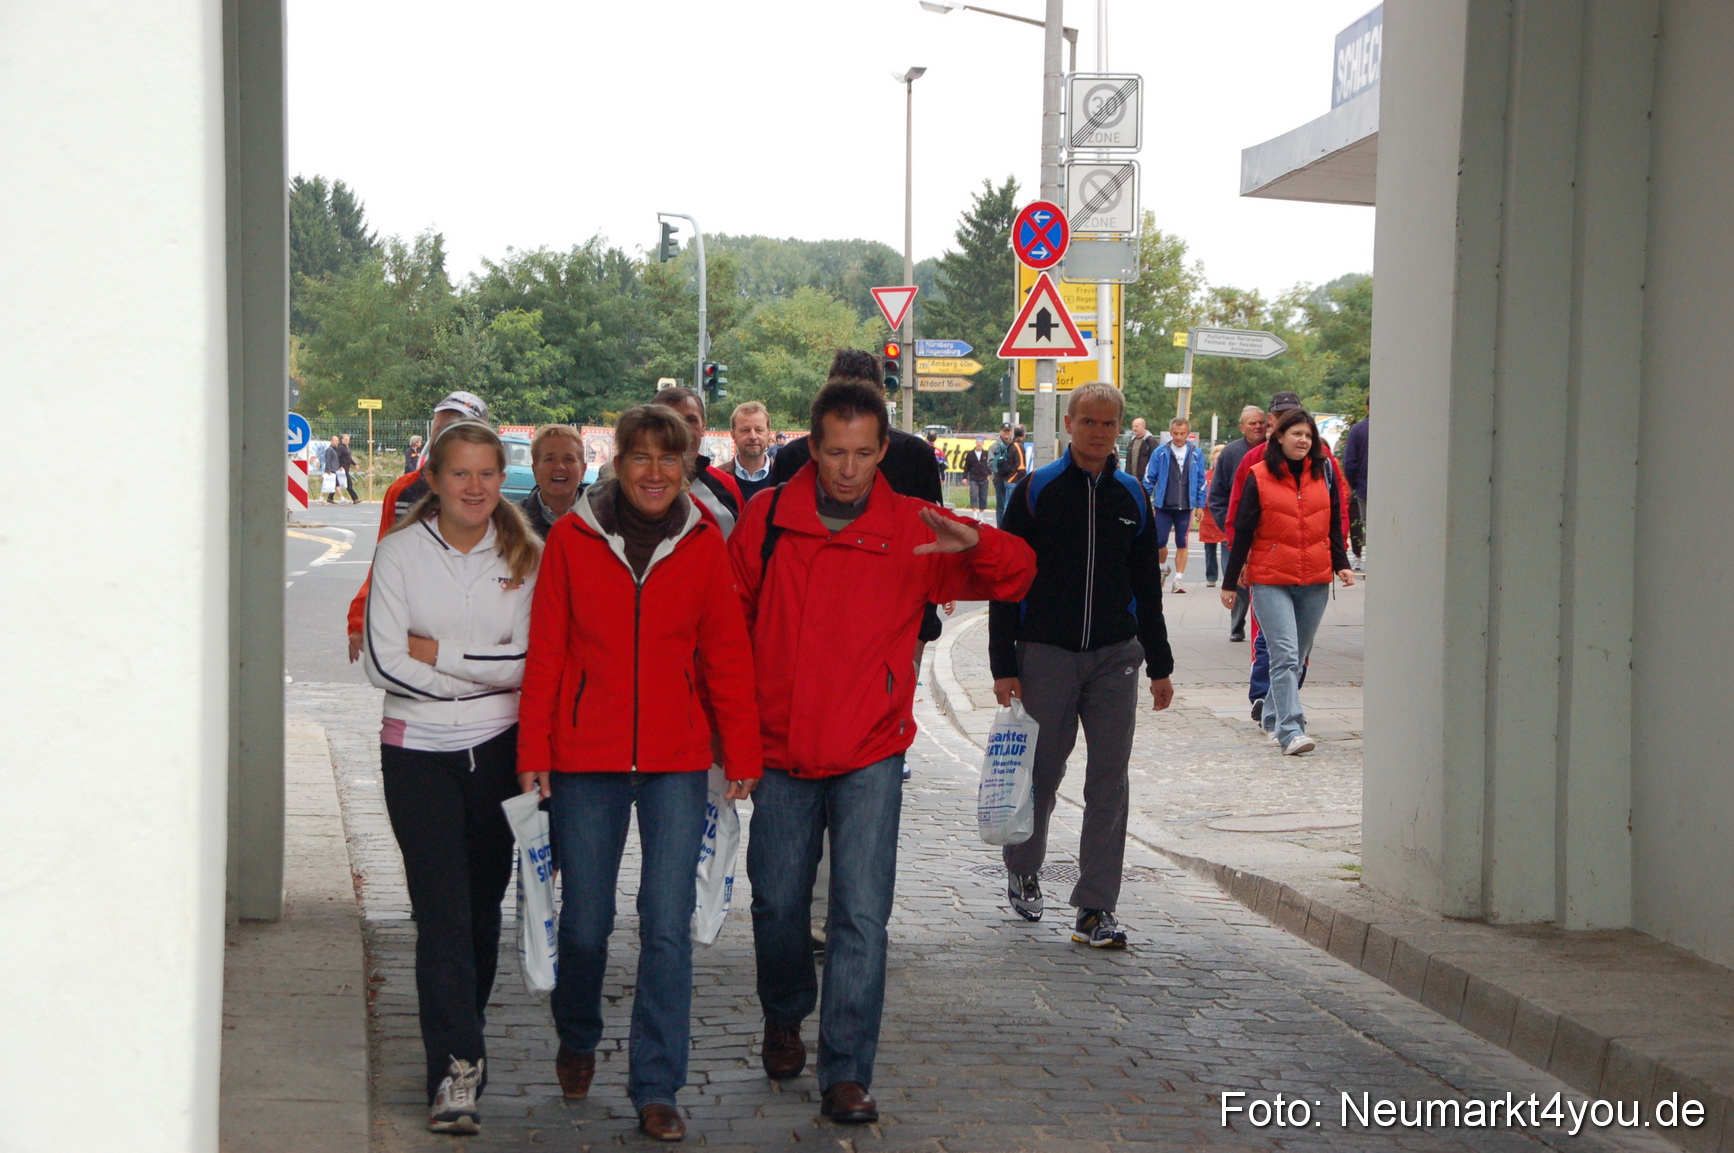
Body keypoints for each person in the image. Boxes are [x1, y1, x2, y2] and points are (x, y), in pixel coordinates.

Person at [728, 365, 1035, 1126]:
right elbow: (726, 630)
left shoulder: (912, 525)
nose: (849, 468)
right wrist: (732, 738)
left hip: (871, 748)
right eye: (836, 452)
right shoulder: (767, 519)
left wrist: (976, 539)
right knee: (776, 904)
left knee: (862, 914)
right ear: (813, 447)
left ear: (882, 450)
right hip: (781, 749)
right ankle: (784, 1012)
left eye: (864, 453)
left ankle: (846, 1071)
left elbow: (1020, 575)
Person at [517, 404, 762, 1143]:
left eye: (669, 458)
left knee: (666, 925)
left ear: (686, 466)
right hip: (584, 757)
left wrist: (741, 750)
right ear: (616, 463)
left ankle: (658, 1085)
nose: (655, 472)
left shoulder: (703, 541)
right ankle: (577, 1031)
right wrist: (534, 749)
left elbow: (725, 652)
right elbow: (547, 649)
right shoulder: (572, 538)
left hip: (676, 760)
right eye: (640, 457)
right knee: (586, 925)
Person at [361, 420, 541, 1135]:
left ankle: (462, 1029)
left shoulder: (526, 555)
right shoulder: (399, 552)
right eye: (460, 473)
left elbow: (532, 661)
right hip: (417, 754)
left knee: (481, 910)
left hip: (498, 752)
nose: (474, 487)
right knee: (441, 913)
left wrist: (439, 654)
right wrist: (480, 676)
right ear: (432, 479)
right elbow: (383, 662)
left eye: (487, 474)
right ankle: (456, 1067)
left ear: (503, 479)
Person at [989, 383, 1175, 948]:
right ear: (1068, 424)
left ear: (1120, 427)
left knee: (1109, 780)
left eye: (1108, 423)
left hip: (1116, 656)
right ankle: (1024, 865)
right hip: (1046, 652)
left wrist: (1160, 663)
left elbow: (1146, 585)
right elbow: (1006, 579)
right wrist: (1003, 663)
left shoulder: (1133, 495)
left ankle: (1096, 907)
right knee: (1044, 772)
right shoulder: (1035, 490)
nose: (1098, 432)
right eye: (1088, 422)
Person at [1219, 407, 1354, 756]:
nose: (1303, 440)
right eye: (1296, 434)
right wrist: (1230, 582)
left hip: (1315, 579)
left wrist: (1342, 564)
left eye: (1308, 435)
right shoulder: (1259, 475)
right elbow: (1243, 530)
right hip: (1270, 579)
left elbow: (1334, 522)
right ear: (1279, 436)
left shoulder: (1324, 472)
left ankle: (1271, 713)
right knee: (1284, 653)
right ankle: (1291, 729)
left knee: (1299, 656)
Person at [346, 391, 491, 662]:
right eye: (439, 430)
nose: (445, 439)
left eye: (456, 430)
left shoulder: (489, 496)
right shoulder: (403, 492)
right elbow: (383, 564)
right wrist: (360, 620)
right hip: (411, 633)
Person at [1205, 406, 1268, 641]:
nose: (1258, 427)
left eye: (1261, 422)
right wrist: (1227, 524)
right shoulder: (1231, 453)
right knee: (1237, 578)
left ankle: (1263, 626)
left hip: (1264, 529)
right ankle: (1237, 623)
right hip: (1235, 528)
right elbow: (1217, 495)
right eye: (1252, 423)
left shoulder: (1274, 450)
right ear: (1242, 428)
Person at [656, 385, 744, 534]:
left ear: (703, 426)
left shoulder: (726, 487)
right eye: (670, 421)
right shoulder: (633, 487)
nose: (682, 430)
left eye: (690, 420)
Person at [1143, 417, 1206, 594]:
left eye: (1182, 433)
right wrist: (1144, 500)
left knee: (1182, 542)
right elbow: (1149, 478)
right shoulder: (1160, 453)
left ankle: (1178, 579)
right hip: (1163, 505)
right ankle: (1163, 567)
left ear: (1188, 434)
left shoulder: (1196, 453)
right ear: (1171, 433)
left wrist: (1200, 505)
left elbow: (1201, 480)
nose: (1179, 437)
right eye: (1176, 433)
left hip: (1185, 506)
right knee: (1159, 542)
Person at [518, 423, 583, 538]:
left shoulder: (603, 518)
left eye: (568, 459)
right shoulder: (514, 521)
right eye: (550, 459)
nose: (560, 467)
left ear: (583, 470)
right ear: (535, 470)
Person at [730, 400, 776, 502]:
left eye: (759, 430)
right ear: (733, 435)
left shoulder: (785, 478)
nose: (753, 437)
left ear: (768, 433)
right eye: (745, 430)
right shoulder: (716, 480)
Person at [1341, 406, 1369, 571]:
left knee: (1367, 526)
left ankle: (1371, 563)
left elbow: (1349, 462)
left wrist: (1355, 485)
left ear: (1367, 408)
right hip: (1392, 490)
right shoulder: (1395, 427)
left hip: (1364, 489)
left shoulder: (1358, 430)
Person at [1199, 445, 1228, 587]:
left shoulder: (1228, 475)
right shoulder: (1206, 476)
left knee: (1226, 548)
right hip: (1208, 516)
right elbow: (1201, 493)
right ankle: (1211, 577)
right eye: (1216, 458)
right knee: (1209, 549)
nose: (1218, 460)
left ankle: (1227, 578)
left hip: (1224, 515)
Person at [1124, 416, 1159, 496]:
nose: (1134, 429)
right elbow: (1128, 460)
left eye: (1136, 426)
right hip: (1131, 479)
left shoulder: (1150, 441)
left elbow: (1155, 461)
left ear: (1144, 427)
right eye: (1133, 426)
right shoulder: (1132, 441)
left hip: (1144, 481)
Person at [989, 424, 1016, 525]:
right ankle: (1000, 527)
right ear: (1000, 432)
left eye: (1008, 431)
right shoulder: (995, 446)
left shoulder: (1014, 445)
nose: (1006, 433)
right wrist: (999, 470)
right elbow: (990, 462)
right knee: (1001, 505)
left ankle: (1009, 527)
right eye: (1005, 431)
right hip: (1000, 479)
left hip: (1012, 479)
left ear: (1011, 432)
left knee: (1011, 505)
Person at [963, 436, 992, 515]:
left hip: (984, 477)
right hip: (974, 478)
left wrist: (989, 474)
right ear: (976, 443)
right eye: (978, 442)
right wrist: (965, 477)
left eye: (980, 442)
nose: (979, 444)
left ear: (983, 444)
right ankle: (975, 513)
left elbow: (989, 465)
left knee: (983, 496)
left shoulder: (986, 453)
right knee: (974, 495)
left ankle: (981, 514)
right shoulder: (970, 454)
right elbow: (966, 466)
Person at [338, 433, 361, 503]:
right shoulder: (341, 448)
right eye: (345, 439)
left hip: (347, 468)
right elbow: (337, 457)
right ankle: (355, 498)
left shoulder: (347, 448)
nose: (347, 441)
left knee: (337, 484)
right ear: (342, 440)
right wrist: (340, 466)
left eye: (348, 439)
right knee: (349, 483)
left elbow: (349, 458)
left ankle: (330, 497)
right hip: (343, 469)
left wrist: (355, 464)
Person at [321, 437, 342, 504]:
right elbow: (328, 460)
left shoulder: (334, 450)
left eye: (337, 441)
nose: (337, 442)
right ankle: (342, 499)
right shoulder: (329, 450)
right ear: (331, 441)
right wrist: (328, 470)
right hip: (331, 470)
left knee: (326, 485)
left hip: (333, 469)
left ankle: (321, 499)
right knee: (337, 484)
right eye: (335, 441)